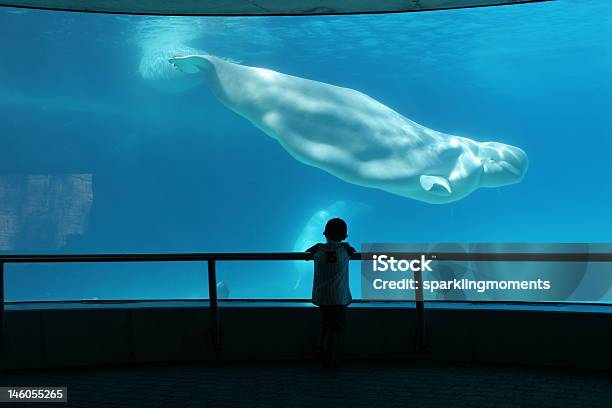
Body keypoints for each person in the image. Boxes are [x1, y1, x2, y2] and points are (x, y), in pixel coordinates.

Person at [306, 218, 356, 369]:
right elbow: (352, 251)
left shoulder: (318, 251)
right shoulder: (345, 250)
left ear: (324, 233)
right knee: (335, 329)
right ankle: (330, 359)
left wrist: (315, 246)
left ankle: (321, 349)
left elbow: (307, 254)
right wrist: (347, 245)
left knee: (325, 325)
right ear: (345, 236)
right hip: (338, 298)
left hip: (323, 297)